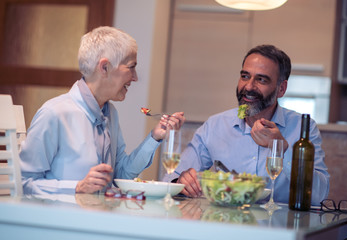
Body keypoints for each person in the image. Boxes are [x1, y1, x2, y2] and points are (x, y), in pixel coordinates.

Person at [20, 26, 185, 195]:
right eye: (131, 67)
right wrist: (77, 187)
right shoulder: (54, 113)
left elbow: (121, 175)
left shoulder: (110, 113)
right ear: (104, 67)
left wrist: (154, 137)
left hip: (99, 217)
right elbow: (23, 183)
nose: (135, 77)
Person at [164, 44, 329, 205]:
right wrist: (181, 181)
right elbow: (170, 180)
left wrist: (281, 149)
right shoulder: (215, 125)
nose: (249, 86)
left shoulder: (302, 128)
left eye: (261, 80)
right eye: (245, 76)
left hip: (281, 227)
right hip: (226, 224)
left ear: (281, 89)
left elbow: (318, 195)